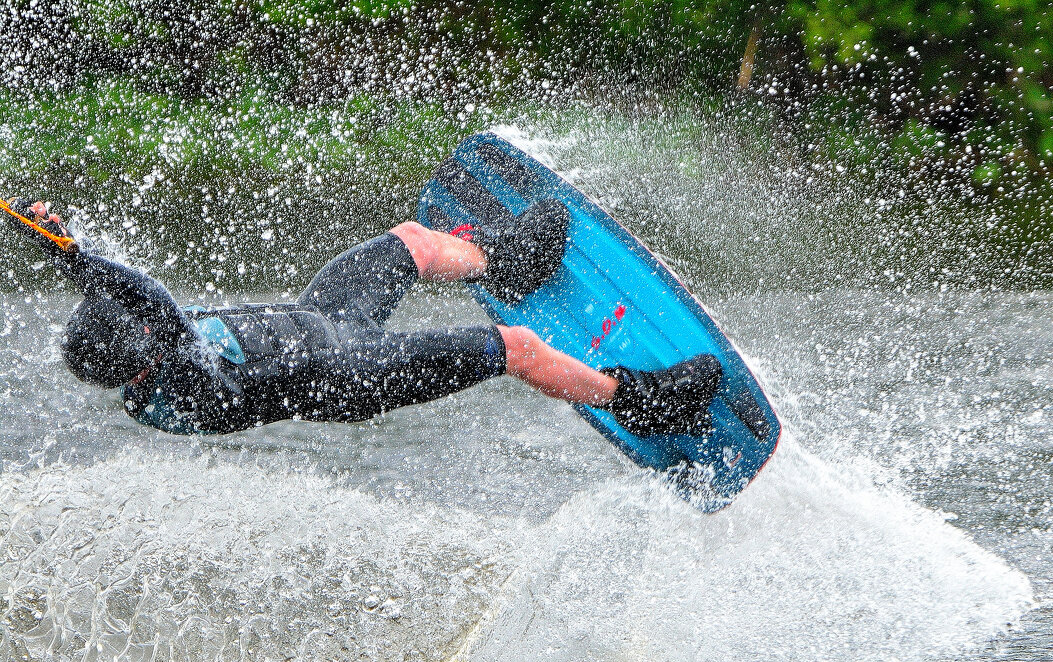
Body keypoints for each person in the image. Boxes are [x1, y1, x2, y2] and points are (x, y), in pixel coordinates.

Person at [1, 197, 722, 437]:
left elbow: (132, 298)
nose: (148, 319)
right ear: (140, 355)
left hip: (321, 316)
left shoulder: (146, 343)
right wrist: (74, 253)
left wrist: (62, 245)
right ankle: (638, 401)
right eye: (143, 327)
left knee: (409, 240)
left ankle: (502, 264)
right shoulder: (180, 385)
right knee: (516, 346)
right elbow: (148, 297)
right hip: (350, 376)